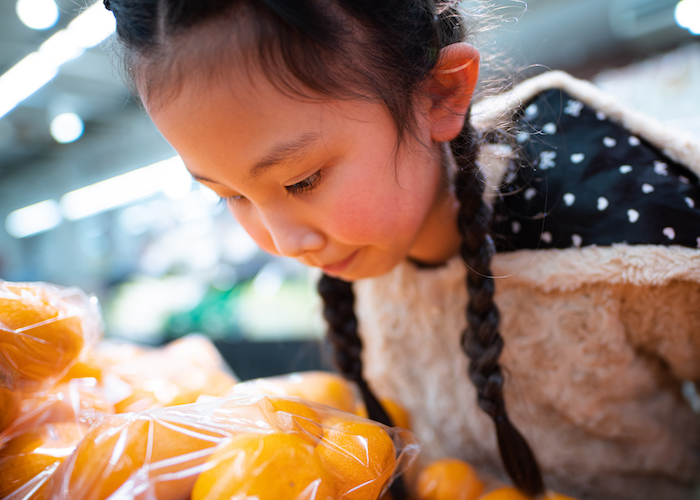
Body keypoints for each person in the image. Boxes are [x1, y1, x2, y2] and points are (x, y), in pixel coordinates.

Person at [102, 0, 700, 499]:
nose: (283, 242)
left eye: (302, 180)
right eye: (228, 195)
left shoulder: (618, 215)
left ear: (441, 95)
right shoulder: (353, 249)